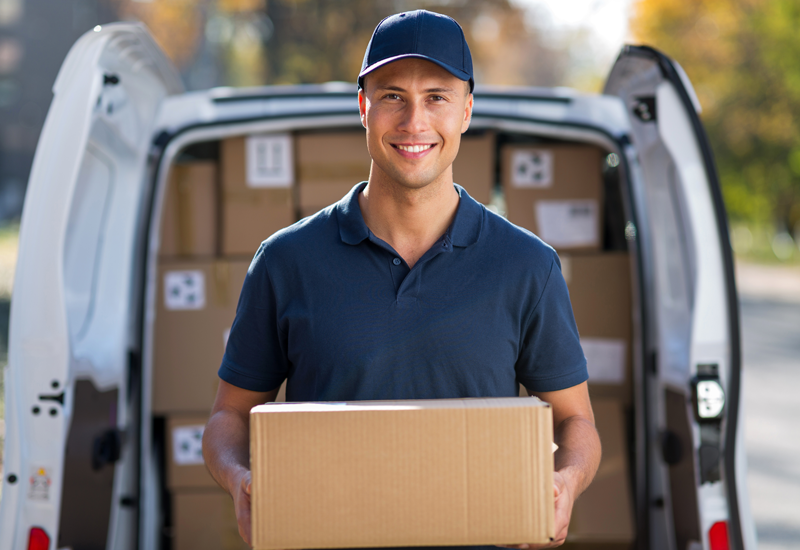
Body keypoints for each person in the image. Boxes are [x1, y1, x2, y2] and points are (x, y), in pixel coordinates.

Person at [203, 9, 601, 549]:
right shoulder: (285, 261)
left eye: (436, 96)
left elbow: (576, 422)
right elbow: (229, 416)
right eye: (392, 96)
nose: (414, 121)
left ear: (466, 111)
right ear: (363, 107)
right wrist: (241, 480)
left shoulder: (526, 266)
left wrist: (565, 481)